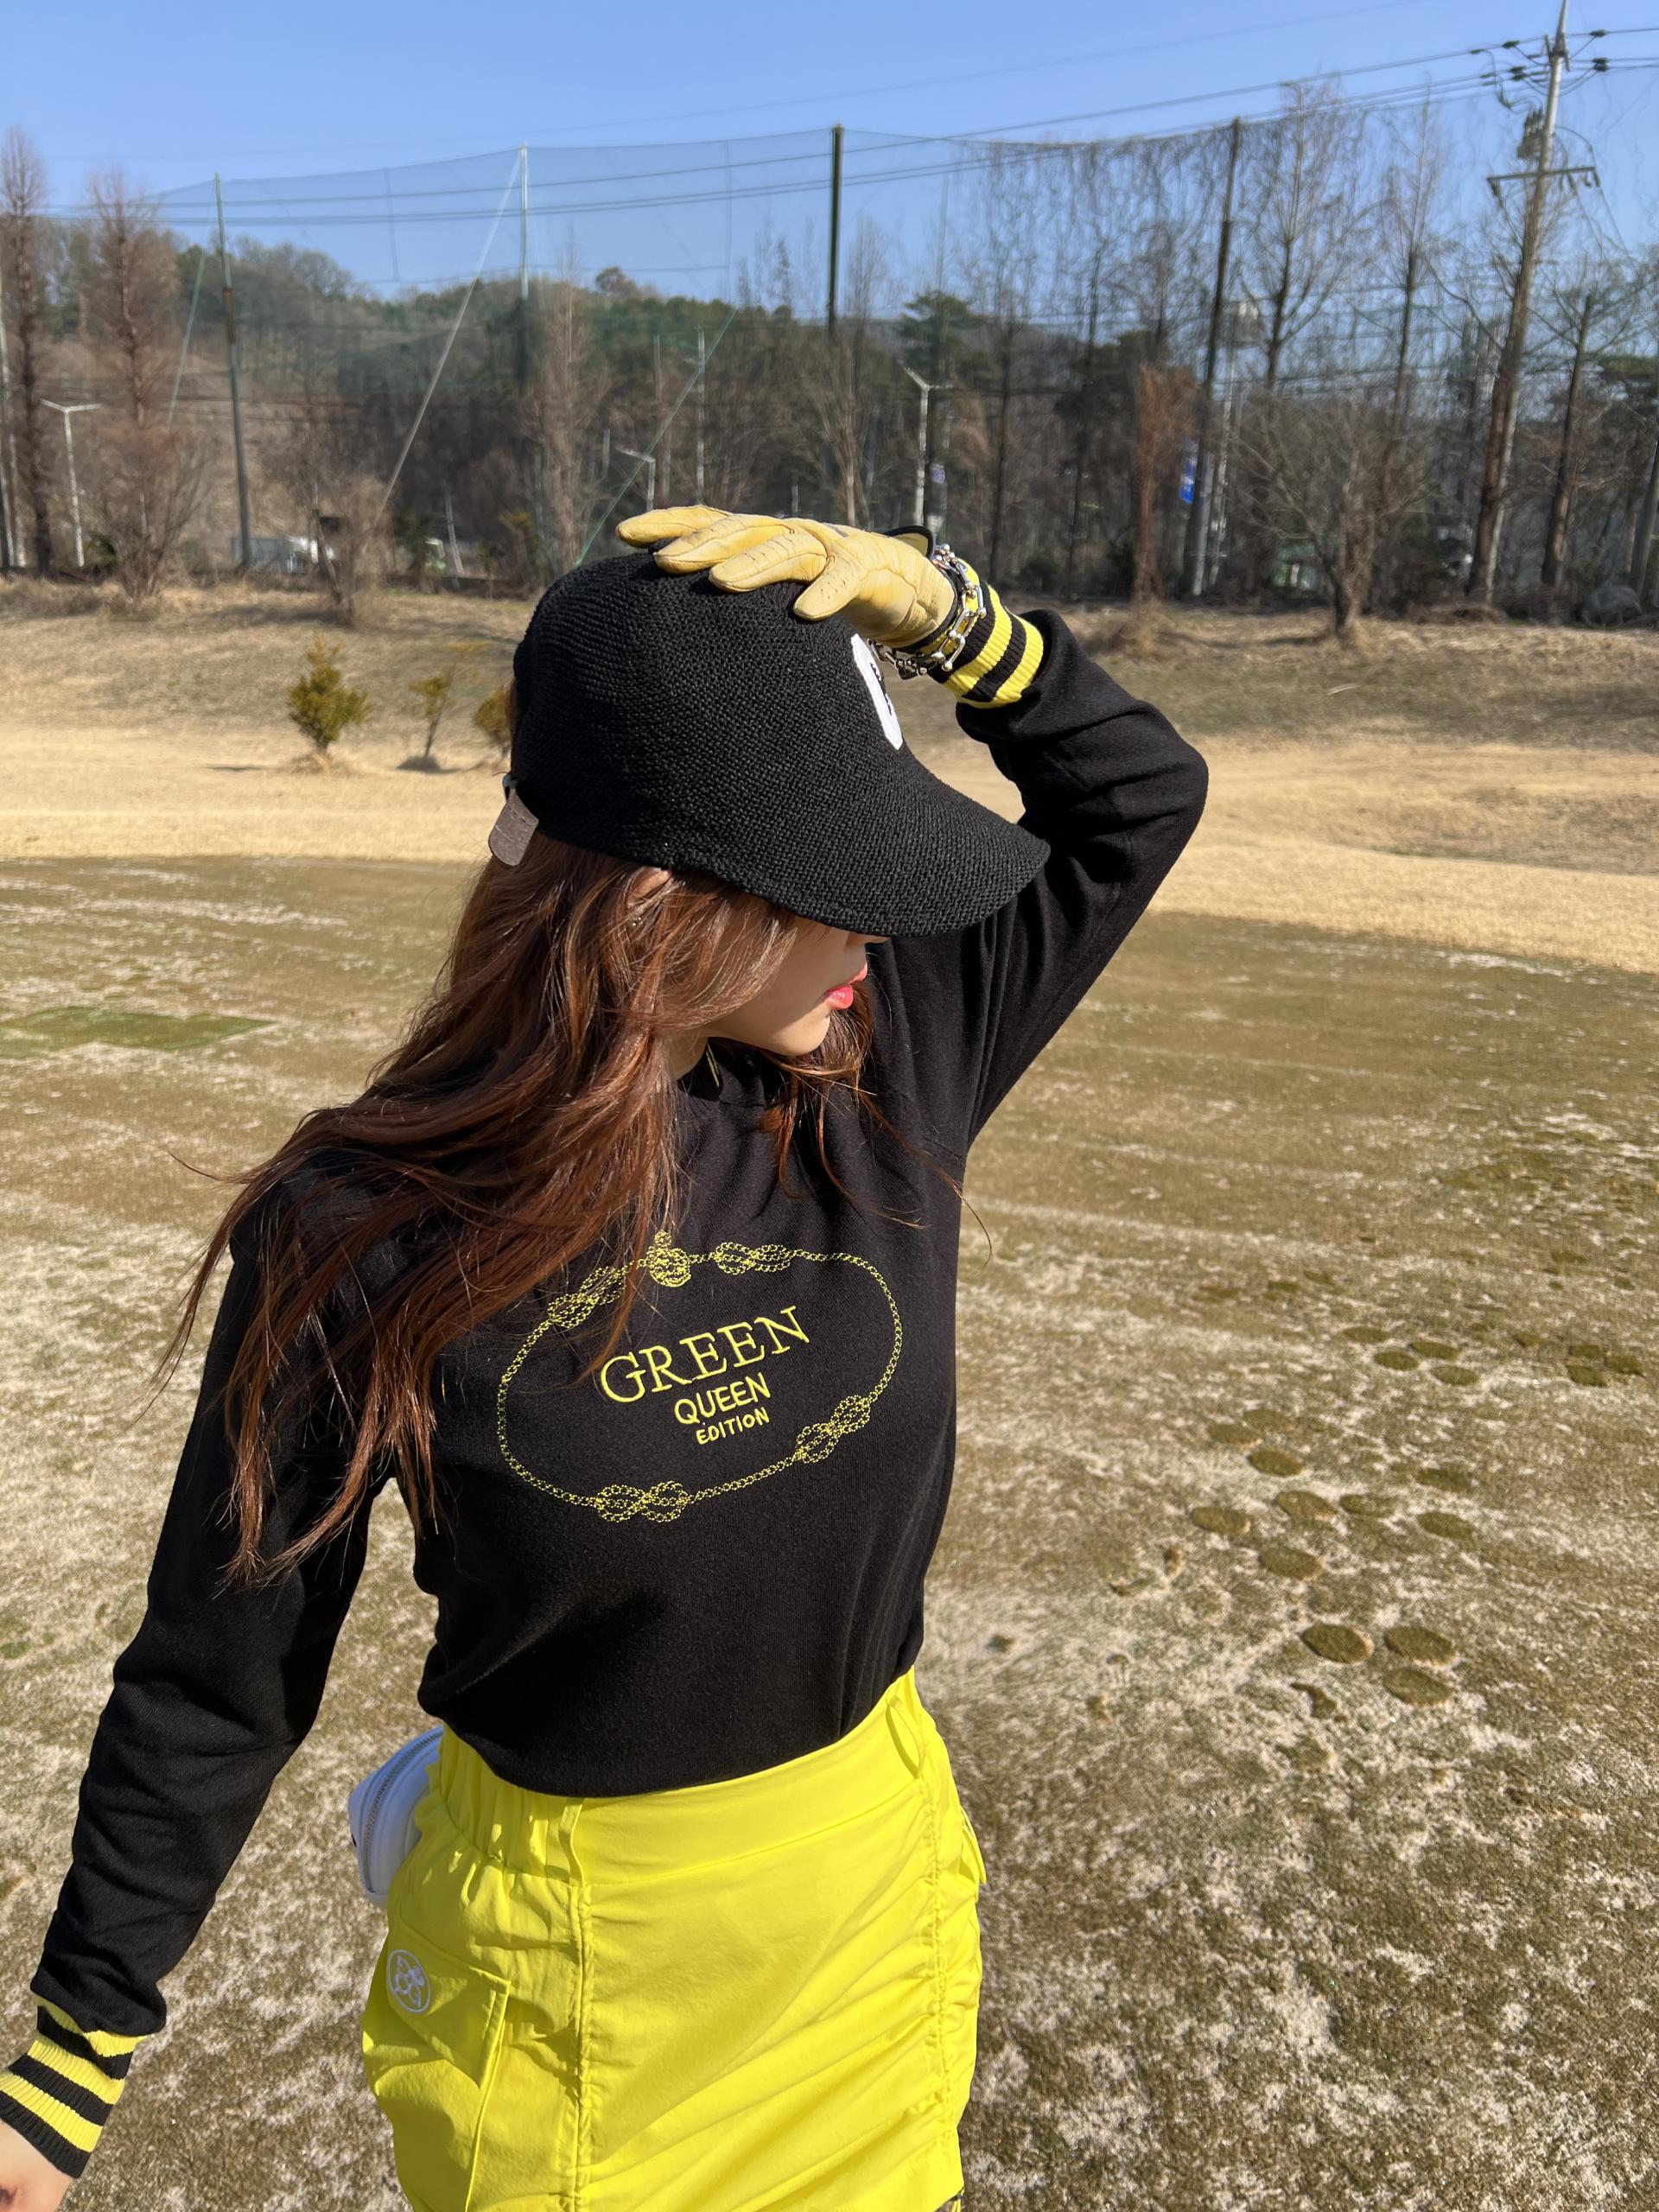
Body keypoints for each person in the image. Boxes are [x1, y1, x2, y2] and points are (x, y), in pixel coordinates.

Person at [0, 508, 1206, 2211]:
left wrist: (948, 617)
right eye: (837, 885)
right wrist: (70, 2059)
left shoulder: (882, 1068)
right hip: (579, 1993)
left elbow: (1136, 797)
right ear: (664, 905)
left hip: (868, 1909)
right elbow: (222, 1669)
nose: (879, 934)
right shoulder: (363, 1229)